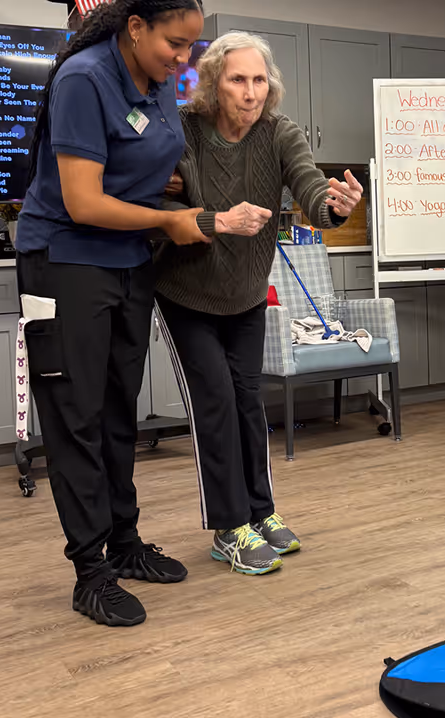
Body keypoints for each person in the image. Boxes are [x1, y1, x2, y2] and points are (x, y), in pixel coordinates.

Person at [16, 0, 213, 627]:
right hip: (65, 260)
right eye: (174, 44)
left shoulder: (154, 86)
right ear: (135, 27)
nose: (183, 60)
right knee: (76, 418)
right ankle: (90, 572)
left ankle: (124, 545)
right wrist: (168, 220)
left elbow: (139, 162)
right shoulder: (84, 79)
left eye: (190, 47)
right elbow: (81, 200)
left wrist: (171, 192)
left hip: (127, 263)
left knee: (116, 411)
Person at [153, 32, 364, 575]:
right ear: (213, 84)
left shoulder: (279, 134)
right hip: (187, 295)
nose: (250, 92)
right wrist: (196, 210)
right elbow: (160, 207)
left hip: (246, 295)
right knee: (217, 404)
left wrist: (334, 208)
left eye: (259, 80)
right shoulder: (183, 131)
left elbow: (310, 189)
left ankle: (259, 511)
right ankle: (228, 527)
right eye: (237, 79)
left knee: (249, 403)